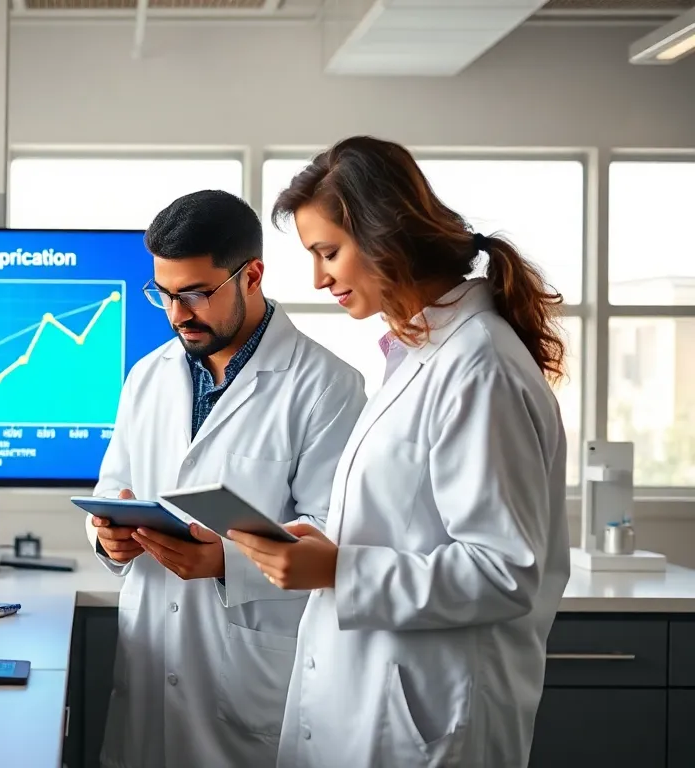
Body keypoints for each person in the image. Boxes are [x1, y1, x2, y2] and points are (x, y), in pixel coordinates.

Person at [232, 136, 571, 768]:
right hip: (375, 702)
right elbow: (409, 523)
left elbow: (504, 571)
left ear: (386, 236)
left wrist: (339, 571)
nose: (317, 278)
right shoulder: (416, 354)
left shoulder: (480, 366)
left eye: (328, 252)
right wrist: (322, 544)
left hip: (434, 719)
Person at [84, 190, 366, 768]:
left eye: (194, 294)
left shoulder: (327, 385)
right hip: (150, 663)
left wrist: (225, 562)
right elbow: (114, 491)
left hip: (248, 679)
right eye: (163, 294)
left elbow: (330, 533)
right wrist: (106, 536)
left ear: (252, 275)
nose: (176, 314)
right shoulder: (147, 376)